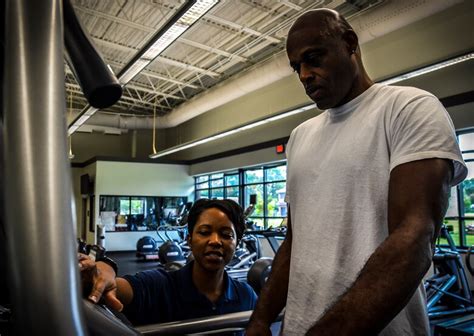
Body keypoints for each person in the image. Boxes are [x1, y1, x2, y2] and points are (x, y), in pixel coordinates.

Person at [246, 8, 467, 336]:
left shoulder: (408, 109)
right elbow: (294, 241)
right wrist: (261, 319)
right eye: (297, 67)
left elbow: (415, 236)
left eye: (314, 58)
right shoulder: (299, 137)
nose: (305, 75)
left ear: (350, 43)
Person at [79, 198, 257, 326]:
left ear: (237, 243)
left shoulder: (246, 296)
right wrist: (103, 269)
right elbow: (112, 285)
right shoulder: (158, 286)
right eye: (204, 232)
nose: (215, 241)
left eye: (226, 235)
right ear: (189, 239)